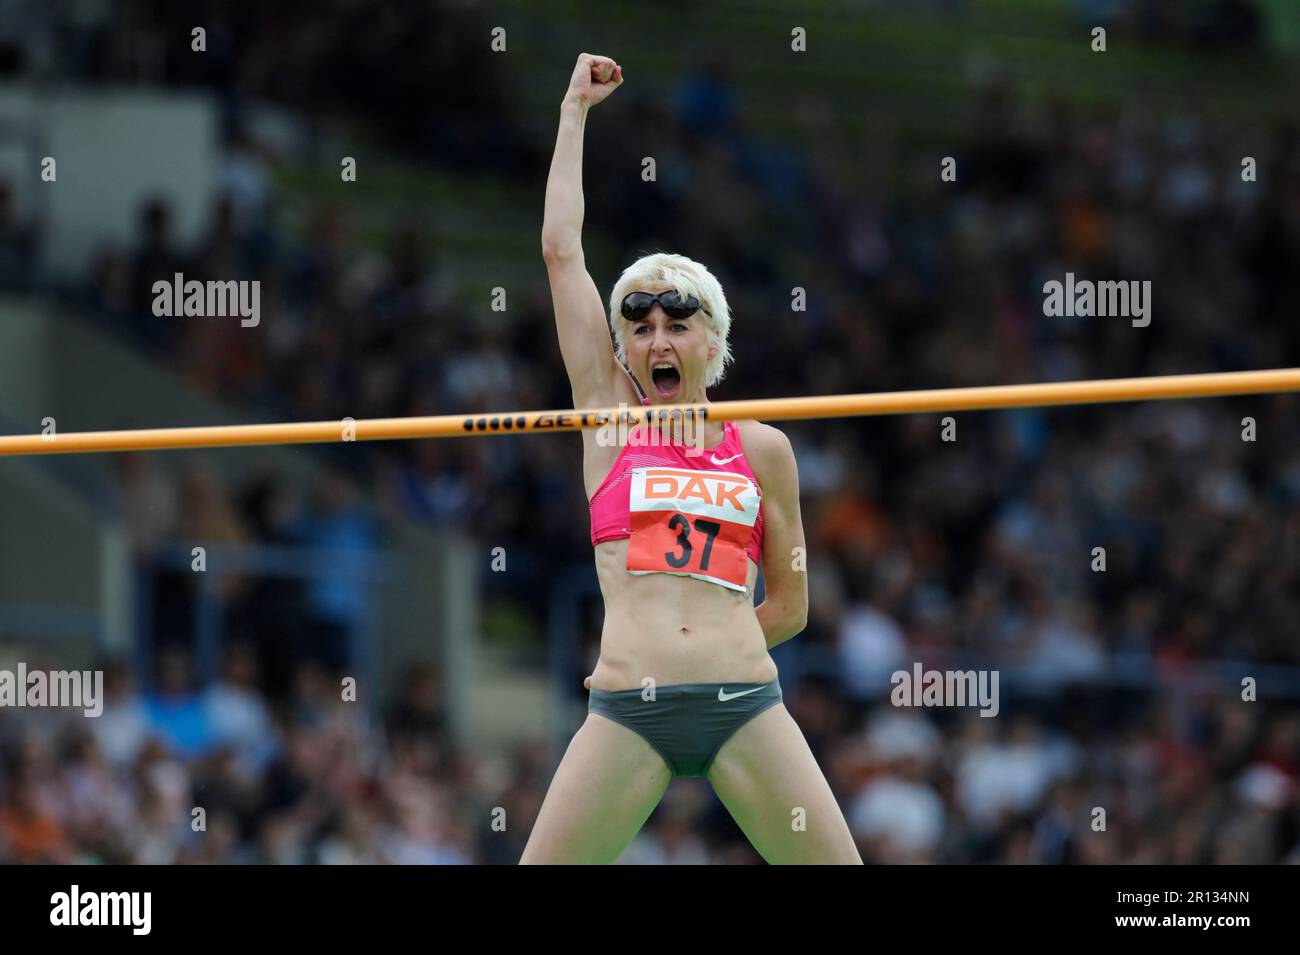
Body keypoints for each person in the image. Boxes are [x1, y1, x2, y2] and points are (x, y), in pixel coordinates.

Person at [523, 53, 861, 864]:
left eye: (678, 324)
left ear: (713, 341)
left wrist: (716, 645)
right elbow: (561, 252)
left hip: (743, 703)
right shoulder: (606, 421)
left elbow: (793, 602)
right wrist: (573, 110)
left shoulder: (765, 449)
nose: (659, 340)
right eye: (640, 328)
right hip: (627, 709)